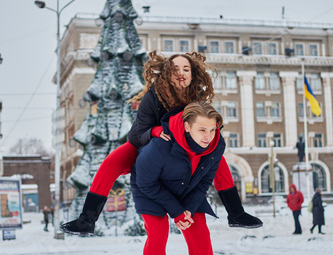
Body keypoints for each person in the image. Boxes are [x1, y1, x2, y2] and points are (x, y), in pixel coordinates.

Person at [61, 51, 262, 236]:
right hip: (146, 144)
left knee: (217, 161)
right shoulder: (153, 96)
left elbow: (206, 124)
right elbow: (136, 134)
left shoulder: (197, 98)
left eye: (186, 69)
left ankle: (236, 213)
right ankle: (87, 219)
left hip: (183, 148)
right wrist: (157, 131)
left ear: (193, 75)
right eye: (175, 69)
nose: (181, 73)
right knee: (110, 163)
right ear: (167, 74)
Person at [131, 101, 231, 255]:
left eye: (212, 129)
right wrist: (176, 212)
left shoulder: (216, 145)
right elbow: (146, 182)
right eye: (202, 130)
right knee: (158, 236)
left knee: (201, 236)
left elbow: (204, 181)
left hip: (187, 190)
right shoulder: (160, 146)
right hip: (150, 189)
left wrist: (186, 210)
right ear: (187, 127)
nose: (208, 136)